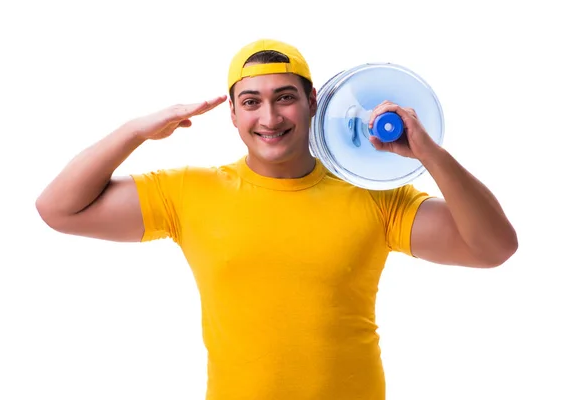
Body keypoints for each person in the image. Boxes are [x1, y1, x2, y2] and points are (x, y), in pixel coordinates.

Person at [35, 39, 518, 399]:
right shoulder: (187, 192)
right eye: (251, 102)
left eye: (285, 97)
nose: (270, 116)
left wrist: (427, 152)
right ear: (233, 115)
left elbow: (493, 247)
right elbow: (58, 209)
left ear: (312, 102)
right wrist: (135, 131)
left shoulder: (376, 198)